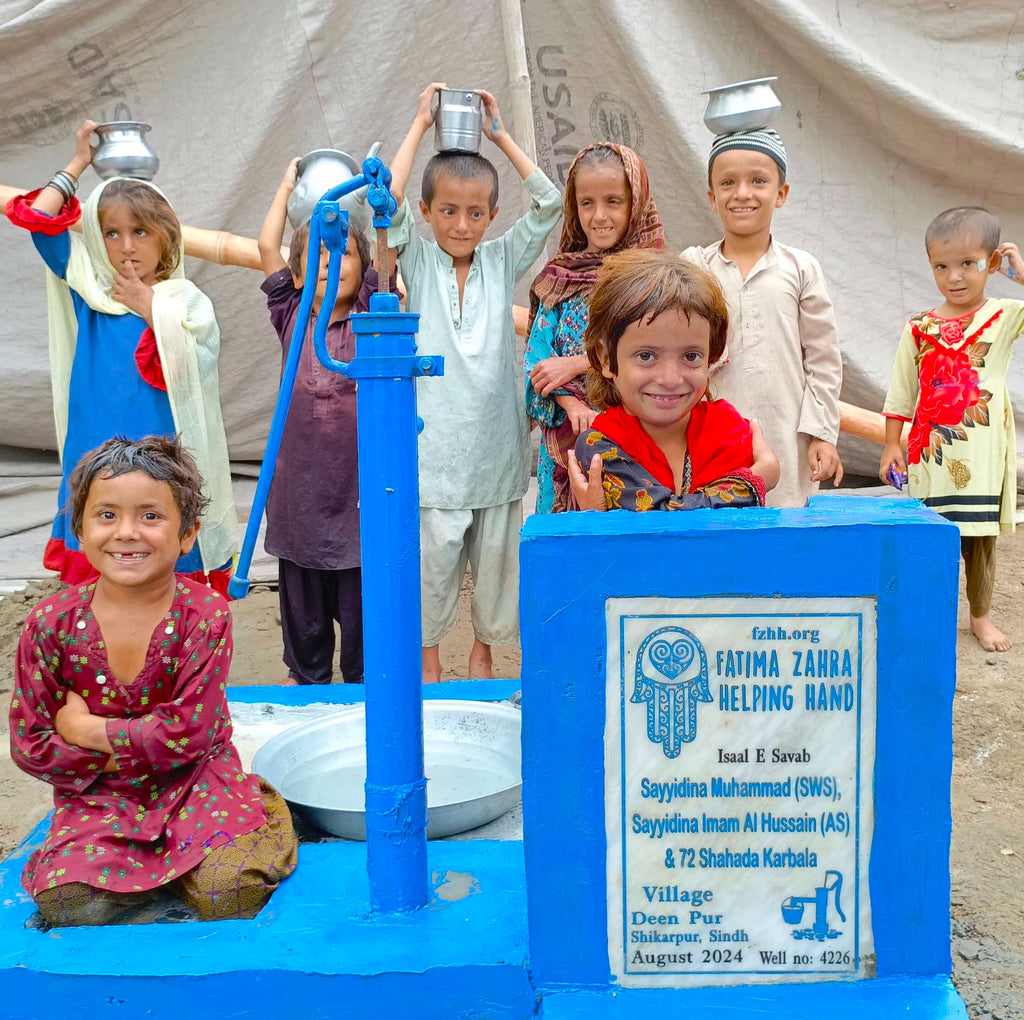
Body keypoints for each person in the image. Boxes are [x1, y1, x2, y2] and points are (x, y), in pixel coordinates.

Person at [9, 436, 298, 927]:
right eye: (106, 515)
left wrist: (86, 731)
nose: (127, 533)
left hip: (196, 780)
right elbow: (31, 743)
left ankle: (256, 805)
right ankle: (149, 864)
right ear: (78, 528)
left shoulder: (204, 614)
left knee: (230, 893)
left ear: (188, 535)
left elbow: (189, 734)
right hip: (100, 791)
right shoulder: (49, 623)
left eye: (150, 516)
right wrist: (128, 752)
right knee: (70, 902)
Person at [4, 119, 237, 593]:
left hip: (161, 449)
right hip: (93, 440)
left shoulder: (185, 301)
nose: (127, 246)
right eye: (111, 234)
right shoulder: (89, 289)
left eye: (141, 232)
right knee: (101, 550)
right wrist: (78, 163)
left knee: (157, 547)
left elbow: (194, 367)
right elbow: (38, 222)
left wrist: (152, 308)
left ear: (167, 239)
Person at [387, 83, 562, 683]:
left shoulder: (502, 259)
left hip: (495, 450)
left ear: (491, 215)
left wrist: (500, 135)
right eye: (448, 212)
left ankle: (484, 653)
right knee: (431, 567)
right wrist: (418, 123)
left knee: (497, 566)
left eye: (476, 213)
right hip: (434, 453)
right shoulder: (415, 259)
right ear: (429, 212)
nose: (462, 225)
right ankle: (429, 659)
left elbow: (548, 203)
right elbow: (385, 201)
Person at [256, 158, 393, 685]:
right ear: (296, 273)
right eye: (314, 255)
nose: (327, 263)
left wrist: (380, 216)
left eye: (342, 253)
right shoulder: (291, 313)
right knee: (306, 630)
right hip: (298, 496)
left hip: (355, 497)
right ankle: (309, 694)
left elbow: (386, 259)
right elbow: (269, 246)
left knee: (363, 632)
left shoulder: (370, 315)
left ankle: (362, 704)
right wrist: (287, 184)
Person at [880, 207, 1024, 652]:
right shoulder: (920, 327)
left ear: (993, 263)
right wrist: (890, 445)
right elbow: (902, 389)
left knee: (979, 540)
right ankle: (930, 614)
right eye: (942, 266)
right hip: (931, 454)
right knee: (931, 536)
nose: (954, 277)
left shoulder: (1003, 316)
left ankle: (980, 618)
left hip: (981, 455)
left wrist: (1021, 276)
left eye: (968, 263)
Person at [682, 127, 843, 507]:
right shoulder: (695, 266)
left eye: (758, 180)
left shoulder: (801, 267)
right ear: (711, 197)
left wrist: (822, 433)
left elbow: (823, 360)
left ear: (781, 193)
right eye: (728, 182)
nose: (742, 193)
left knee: (785, 540)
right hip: (711, 436)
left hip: (787, 435)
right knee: (718, 530)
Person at [568, 250, 780, 512]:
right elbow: (663, 519)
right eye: (646, 356)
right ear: (606, 359)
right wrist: (758, 479)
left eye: (691, 356)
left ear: (710, 356)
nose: (670, 379)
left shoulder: (728, 430)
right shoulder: (600, 446)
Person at [524, 143, 664, 513]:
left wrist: (576, 364)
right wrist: (571, 404)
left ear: (636, 201)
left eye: (614, 201)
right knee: (565, 550)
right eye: (587, 203)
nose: (599, 216)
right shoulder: (559, 276)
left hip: (638, 439)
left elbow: (657, 353)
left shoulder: (655, 279)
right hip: (565, 442)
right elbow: (536, 362)